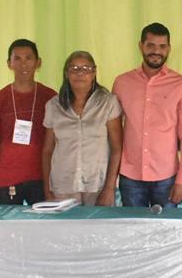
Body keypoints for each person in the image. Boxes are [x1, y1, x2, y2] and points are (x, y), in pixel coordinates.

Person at [112, 22, 182, 208]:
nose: (156, 51)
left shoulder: (181, 85)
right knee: (133, 233)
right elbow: (114, 133)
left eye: (162, 46)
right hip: (130, 176)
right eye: (150, 45)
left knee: (168, 234)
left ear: (169, 49)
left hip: (167, 177)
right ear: (141, 46)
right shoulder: (122, 82)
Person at [0, 39, 57, 205]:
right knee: (5, 230)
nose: (23, 64)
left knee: (43, 230)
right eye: (17, 59)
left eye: (28, 58)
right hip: (6, 179)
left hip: (42, 179)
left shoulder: (51, 98)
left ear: (38, 63)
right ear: (9, 63)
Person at [42, 51, 122, 205]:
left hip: (97, 185)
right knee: (66, 229)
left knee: (98, 229)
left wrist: (109, 188)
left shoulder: (108, 103)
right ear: (66, 73)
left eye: (86, 68)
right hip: (63, 186)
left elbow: (117, 148)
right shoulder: (54, 105)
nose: (80, 73)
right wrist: (47, 189)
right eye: (75, 68)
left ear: (94, 73)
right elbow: (47, 151)